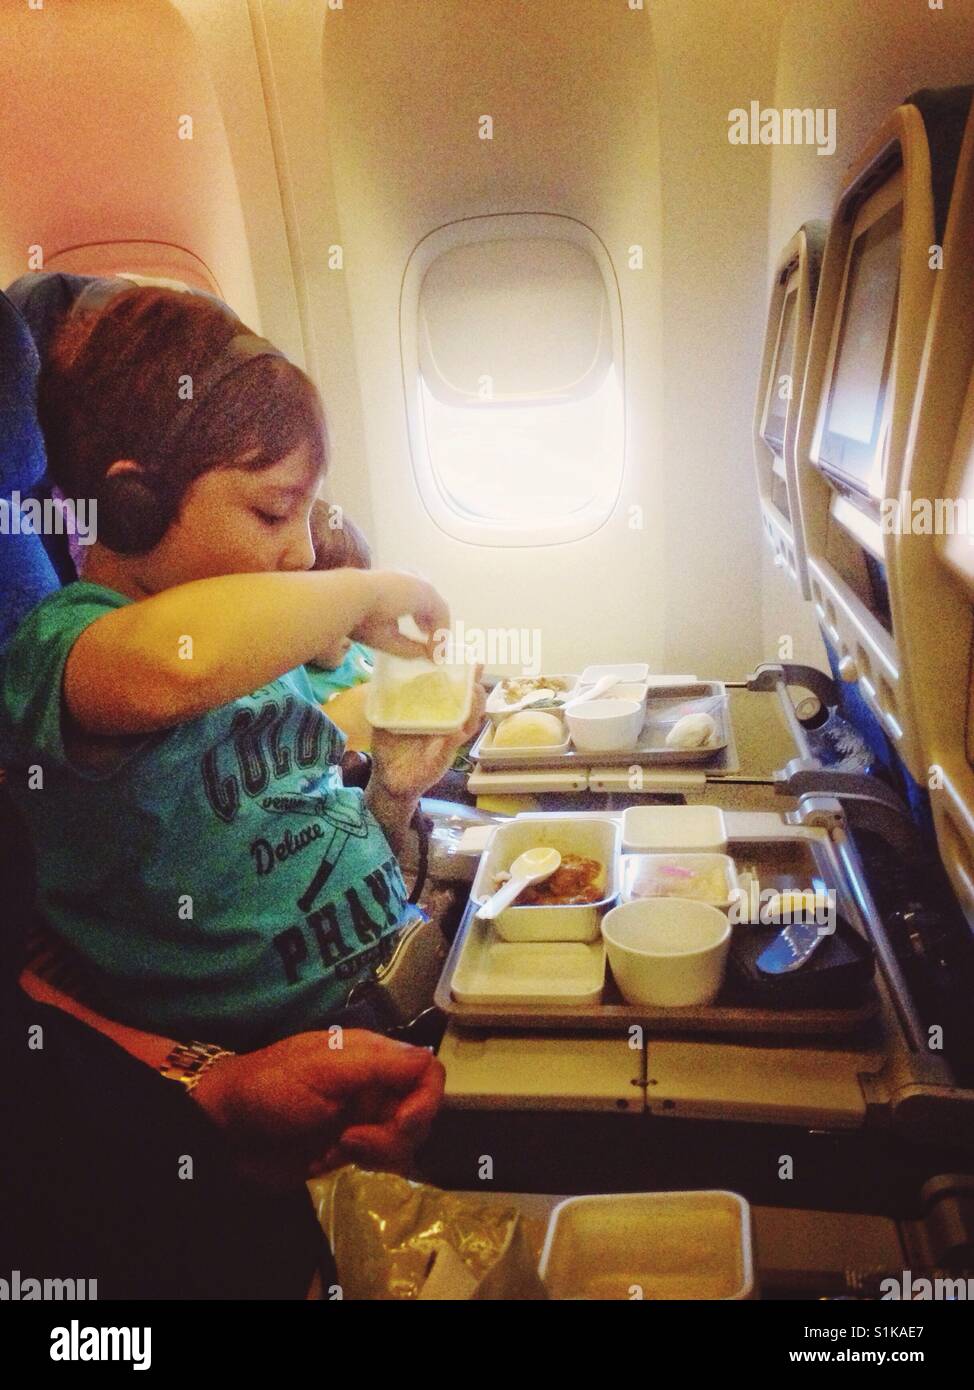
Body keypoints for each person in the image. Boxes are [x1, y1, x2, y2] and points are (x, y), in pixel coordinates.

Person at [0, 285, 485, 1052]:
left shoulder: (257, 650)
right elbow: (172, 666)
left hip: (411, 978)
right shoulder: (62, 650)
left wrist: (393, 793)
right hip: (290, 1063)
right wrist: (363, 592)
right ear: (132, 502)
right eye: (272, 512)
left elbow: (315, 847)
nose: (301, 552)